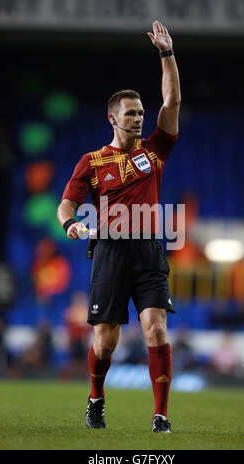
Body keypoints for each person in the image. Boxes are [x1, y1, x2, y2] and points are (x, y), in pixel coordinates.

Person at [57, 21, 181, 433]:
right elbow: (65, 205)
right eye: (131, 114)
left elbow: (172, 100)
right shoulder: (91, 162)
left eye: (142, 113)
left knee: (156, 329)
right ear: (113, 118)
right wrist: (71, 224)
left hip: (148, 251)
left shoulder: (154, 150)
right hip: (110, 251)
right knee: (105, 342)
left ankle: (160, 415)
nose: (139, 119)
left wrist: (167, 54)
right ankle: (96, 399)